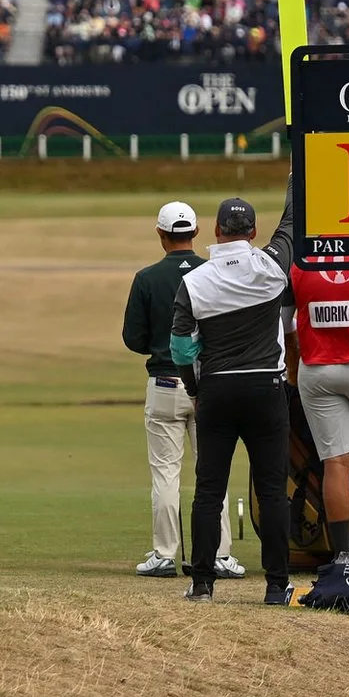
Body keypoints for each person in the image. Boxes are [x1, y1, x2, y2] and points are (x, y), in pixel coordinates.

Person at [169, 194, 299, 604]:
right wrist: (298, 177)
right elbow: (292, 225)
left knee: (209, 489)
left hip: (219, 390)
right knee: (273, 489)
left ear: (217, 232)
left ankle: (203, 583)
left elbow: (181, 350)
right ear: (253, 233)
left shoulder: (194, 282)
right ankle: (277, 586)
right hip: (266, 387)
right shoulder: (271, 265)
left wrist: (195, 389)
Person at [123, 202, 240, 579]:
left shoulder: (146, 278)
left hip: (164, 383)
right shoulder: (215, 273)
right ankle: (220, 554)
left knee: (165, 473)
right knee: (213, 472)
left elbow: (133, 338)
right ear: (196, 232)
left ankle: (163, 554)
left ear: (160, 234)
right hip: (211, 385)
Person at [290, 256, 349, 563]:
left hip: (318, 368)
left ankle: (343, 555)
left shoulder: (301, 261)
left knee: (336, 462)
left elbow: (285, 323)